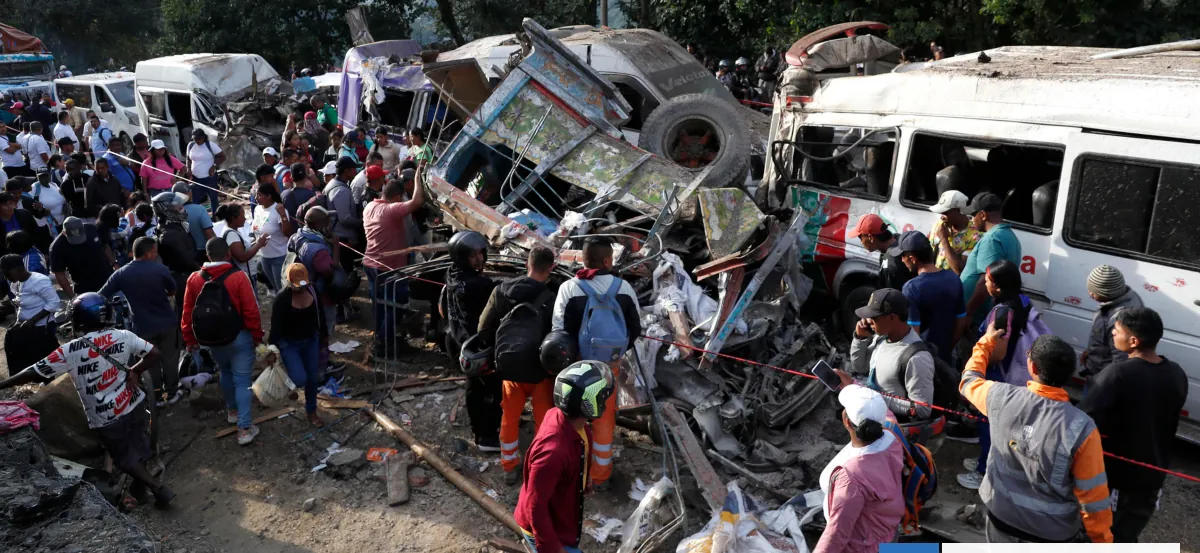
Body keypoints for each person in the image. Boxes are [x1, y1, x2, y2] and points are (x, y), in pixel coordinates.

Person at [0, 293, 175, 506]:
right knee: (136, 441)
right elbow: (154, 353)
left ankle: (158, 489)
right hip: (134, 403)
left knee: (123, 457)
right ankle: (139, 485)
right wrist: (136, 370)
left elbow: (33, 373)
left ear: (78, 320)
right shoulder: (123, 335)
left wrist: (3, 384)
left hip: (106, 416)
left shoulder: (71, 350)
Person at [959, 327, 1112, 543]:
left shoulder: (999, 397)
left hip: (1000, 519)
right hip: (1051, 533)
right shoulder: (1082, 428)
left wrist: (985, 343)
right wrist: (1102, 542)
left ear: (1032, 367)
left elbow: (968, 381)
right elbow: (1093, 498)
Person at [1079, 308, 1186, 543]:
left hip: (1118, 479)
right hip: (1153, 477)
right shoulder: (1176, 372)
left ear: (1134, 340)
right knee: (1127, 535)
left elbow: (1083, 420)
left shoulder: (1117, 374)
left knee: (1102, 535)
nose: (1113, 335)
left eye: (1116, 331)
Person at [954, 258, 1053, 489]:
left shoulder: (1001, 313)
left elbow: (998, 353)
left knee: (990, 424)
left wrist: (980, 353)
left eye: (986, 280)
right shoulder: (1021, 300)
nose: (984, 283)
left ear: (996, 286)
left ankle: (984, 473)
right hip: (1014, 373)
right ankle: (983, 461)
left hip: (999, 374)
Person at [551, 236, 641, 489]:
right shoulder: (623, 289)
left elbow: (559, 330)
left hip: (576, 367)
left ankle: (571, 472)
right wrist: (615, 354)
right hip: (608, 368)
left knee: (572, 417)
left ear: (583, 258)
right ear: (607, 260)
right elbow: (635, 328)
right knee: (603, 419)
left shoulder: (569, 288)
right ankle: (600, 476)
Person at [513, 361, 614, 553]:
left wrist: (584, 478)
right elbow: (536, 508)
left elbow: (581, 446)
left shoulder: (564, 418)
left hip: (559, 514)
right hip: (544, 529)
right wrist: (553, 549)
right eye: (602, 397)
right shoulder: (552, 454)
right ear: (591, 404)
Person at [479, 245, 557, 485]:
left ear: (527, 264)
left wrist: (497, 354)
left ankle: (509, 466)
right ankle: (540, 468)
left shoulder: (501, 291)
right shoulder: (552, 297)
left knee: (509, 417)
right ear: (551, 268)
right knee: (543, 421)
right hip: (541, 371)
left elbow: (483, 328)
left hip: (510, 368)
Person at [181, 238, 263, 445]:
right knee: (242, 380)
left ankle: (232, 411)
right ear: (228, 254)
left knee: (225, 372)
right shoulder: (238, 277)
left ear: (207, 256)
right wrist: (257, 337)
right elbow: (251, 310)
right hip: (239, 336)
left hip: (212, 339)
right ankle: (244, 429)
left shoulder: (194, 279)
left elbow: (187, 313)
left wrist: (190, 339)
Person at [814, 382, 905, 553]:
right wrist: (849, 383)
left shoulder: (851, 479)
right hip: (887, 531)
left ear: (846, 420)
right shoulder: (893, 433)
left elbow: (837, 534)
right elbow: (880, 410)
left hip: (864, 547)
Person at [100, 236, 183, 406]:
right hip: (167, 323)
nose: (155, 255)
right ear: (147, 253)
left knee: (150, 361)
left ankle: (157, 395)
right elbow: (172, 290)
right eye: (154, 252)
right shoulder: (160, 269)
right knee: (170, 358)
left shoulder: (121, 273)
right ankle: (172, 392)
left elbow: (101, 295)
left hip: (142, 327)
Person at [441, 231, 501, 450]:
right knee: (492, 390)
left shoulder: (452, 274)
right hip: (477, 347)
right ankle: (487, 437)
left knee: (474, 387)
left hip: (458, 342)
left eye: (480, 253)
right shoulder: (478, 285)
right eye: (473, 256)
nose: (480, 259)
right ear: (461, 258)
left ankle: (478, 430)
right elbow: (499, 293)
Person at [363, 173, 425, 358]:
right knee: (396, 305)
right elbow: (417, 201)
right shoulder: (391, 210)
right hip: (388, 267)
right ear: (397, 197)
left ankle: (384, 338)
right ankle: (382, 343)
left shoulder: (369, 206)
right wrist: (418, 178)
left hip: (370, 263)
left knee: (380, 304)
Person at [848, 288, 935, 420]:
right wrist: (860, 339)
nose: (868, 320)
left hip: (893, 429)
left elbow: (922, 409)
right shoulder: (881, 338)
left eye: (874, 317)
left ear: (892, 317)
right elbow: (860, 368)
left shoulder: (917, 358)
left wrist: (874, 397)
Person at [270, 263, 327, 427]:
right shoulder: (282, 299)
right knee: (299, 377)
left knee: (313, 378)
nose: (301, 289)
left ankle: (312, 411)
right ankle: (291, 386)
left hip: (311, 340)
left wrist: (324, 336)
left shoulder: (313, 291)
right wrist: (271, 349)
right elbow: (275, 327)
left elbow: (320, 315)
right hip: (289, 343)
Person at [898, 231, 965, 366]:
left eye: (903, 256)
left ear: (912, 258)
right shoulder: (954, 279)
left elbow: (913, 335)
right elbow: (961, 322)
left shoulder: (911, 288)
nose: (901, 260)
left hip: (923, 362)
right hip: (946, 358)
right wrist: (947, 348)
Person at [288, 207, 339, 372]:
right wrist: (336, 247)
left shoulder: (298, 236)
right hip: (320, 296)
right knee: (322, 330)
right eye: (327, 222)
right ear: (319, 225)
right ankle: (320, 367)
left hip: (304, 291)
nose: (330, 225)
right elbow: (330, 272)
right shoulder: (318, 250)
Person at [960, 192, 1021, 324]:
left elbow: (984, 282)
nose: (971, 220)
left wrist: (968, 314)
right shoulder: (1010, 235)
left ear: (982, 215)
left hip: (977, 317)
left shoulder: (991, 239)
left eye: (973, 215)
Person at [1080, 265, 1144, 380]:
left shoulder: (1119, 320)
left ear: (1106, 294)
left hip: (1103, 379)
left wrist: (1102, 383)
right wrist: (1091, 352)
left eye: (1093, 291)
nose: (1090, 293)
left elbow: (1121, 361)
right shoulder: (1126, 297)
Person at [1, 253, 60, 374]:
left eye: (8, 273)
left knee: (43, 360)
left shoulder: (39, 281)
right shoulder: (15, 283)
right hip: (25, 326)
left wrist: (32, 320)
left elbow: (54, 303)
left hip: (42, 327)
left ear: (18, 268)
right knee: (12, 344)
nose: (6, 277)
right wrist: (18, 321)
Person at [151, 191, 202, 319]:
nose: (182, 209)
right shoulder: (169, 234)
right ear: (168, 210)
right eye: (178, 207)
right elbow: (185, 260)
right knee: (188, 313)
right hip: (181, 279)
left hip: (185, 276)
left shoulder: (173, 226)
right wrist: (202, 270)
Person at [847, 214, 914, 292]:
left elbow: (894, 297)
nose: (861, 242)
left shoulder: (891, 264)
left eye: (860, 237)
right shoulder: (898, 238)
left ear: (870, 238)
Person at [50, 216, 114, 295]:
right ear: (64, 232)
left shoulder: (92, 228)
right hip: (84, 289)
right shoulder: (57, 247)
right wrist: (73, 298)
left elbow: (105, 246)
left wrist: (114, 263)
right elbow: (60, 275)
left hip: (108, 279)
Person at [213, 202, 267, 287]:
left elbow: (243, 249)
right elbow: (242, 257)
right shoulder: (231, 235)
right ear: (233, 218)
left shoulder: (233, 231)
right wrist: (259, 244)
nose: (245, 219)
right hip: (245, 276)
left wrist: (256, 243)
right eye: (242, 216)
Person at [252, 182, 293, 292]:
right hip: (265, 257)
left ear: (269, 196)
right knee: (275, 288)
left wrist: (283, 216)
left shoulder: (278, 210)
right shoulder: (257, 209)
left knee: (282, 289)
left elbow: (288, 233)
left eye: (259, 195)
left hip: (280, 256)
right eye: (256, 194)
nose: (256, 198)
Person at [172, 182, 215, 263]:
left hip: (182, 254)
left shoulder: (172, 212)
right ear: (188, 193)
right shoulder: (199, 209)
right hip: (202, 253)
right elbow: (209, 234)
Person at [185, 129, 225, 213]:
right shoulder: (191, 145)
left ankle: (215, 216)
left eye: (199, 139)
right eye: (195, 139)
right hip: (195, 178)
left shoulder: (210, 145)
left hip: (209, 177)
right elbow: (188, 158)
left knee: (213, 198)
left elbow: (222, 157)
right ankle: (198, 217)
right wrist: (188, 168)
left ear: (203, 137)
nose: (197, 141)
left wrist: (214, 166)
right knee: (195, 199)